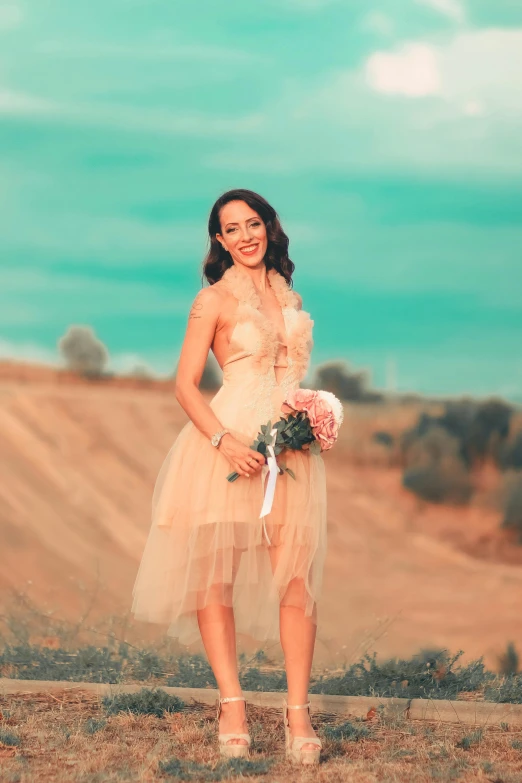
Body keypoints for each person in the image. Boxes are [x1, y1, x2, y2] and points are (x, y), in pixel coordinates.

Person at [132, 189, 327, 765]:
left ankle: (298, 714)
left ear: (269, 226)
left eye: (253, 223)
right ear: (218, 240)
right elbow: (184, 384)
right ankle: (233, 705)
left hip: (291, 456)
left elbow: (290, 375)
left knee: (297, 581)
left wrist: (314, 413)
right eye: (231, 229)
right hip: (227, 451)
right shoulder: (211, 300)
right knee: (216, 578)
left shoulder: (290, 296)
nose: (245, 236)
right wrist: (224, 442)